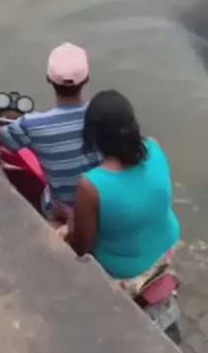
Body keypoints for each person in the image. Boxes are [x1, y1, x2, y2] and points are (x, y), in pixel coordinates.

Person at [0, 43, 102, 223]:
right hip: (99, 206)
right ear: (86, 80)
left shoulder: (32, 124)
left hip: (59, 209)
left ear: (49, 79)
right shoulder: (104, 117)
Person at [70, 89, 180, 291]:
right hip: (167, 249)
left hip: (124, 273)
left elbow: (82, 248)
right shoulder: (154, 147)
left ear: (94, 136)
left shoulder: (91, 186)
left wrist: (70, 221)